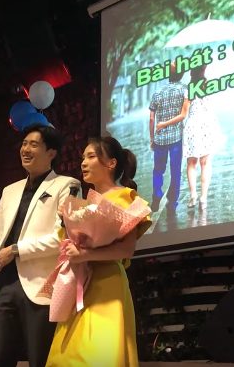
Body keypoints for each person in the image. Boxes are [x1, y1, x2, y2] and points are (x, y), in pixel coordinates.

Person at [0, 125, 80, 367]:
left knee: (41, 360)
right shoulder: (9, 191)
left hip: (42, 287)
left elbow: (63, 237)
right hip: (4, 285)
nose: (26, 149)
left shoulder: (67, 185)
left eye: (34, 144)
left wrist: (17, 249)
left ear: (51, 153)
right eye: (24, 143)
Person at [46, 136, 152, 367]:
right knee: (71, 354)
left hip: (108, 284)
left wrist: (86, 255)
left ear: (111, 163)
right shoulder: (83, 204)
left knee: (100, 353)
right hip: (80, 282)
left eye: (91, 156)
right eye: (83, 158)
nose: (83, 163)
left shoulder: (125, 197)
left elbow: (126, 249)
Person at [155, 64, 220, 209]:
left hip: (192, 126)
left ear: (191, 72)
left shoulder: (187, 89)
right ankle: (203, 199)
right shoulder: (210, 85)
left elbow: (183, 113)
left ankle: (193, 196)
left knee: (191, 163)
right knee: (205, 163)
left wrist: (164, 123)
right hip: (208, 124)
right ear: (204, 70)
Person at [148, 62, 186, 213]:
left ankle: (157, 193)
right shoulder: (184, 90)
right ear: (181, 75)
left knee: (158, 170)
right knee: (176, 171)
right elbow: (185, 114)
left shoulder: (157, 92)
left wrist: (152, 139)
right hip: (176, 138)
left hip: (160, 140)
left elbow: (151, 119)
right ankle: (172, 202)